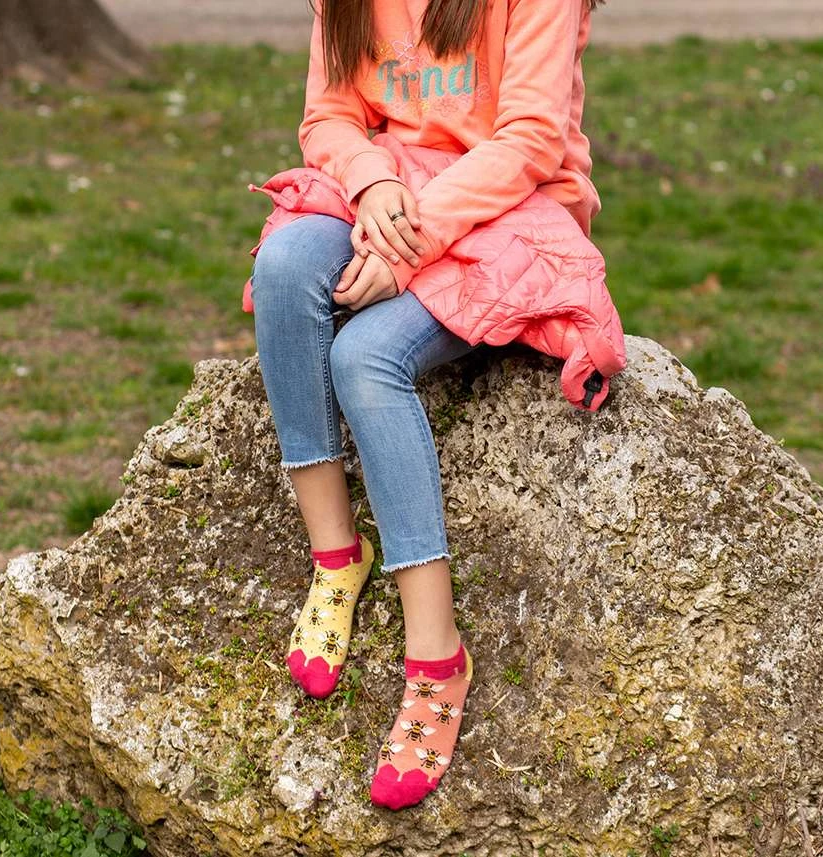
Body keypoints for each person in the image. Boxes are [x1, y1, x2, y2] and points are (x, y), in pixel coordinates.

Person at [247, 0, 604, 811]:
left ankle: (437, 657)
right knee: (284, 269)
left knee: (366, 357)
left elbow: (530, 140)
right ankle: (336, 557)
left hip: (508, 213)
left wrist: (407, 245)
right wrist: (372, 181)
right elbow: (330, 115)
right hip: (392, 192)